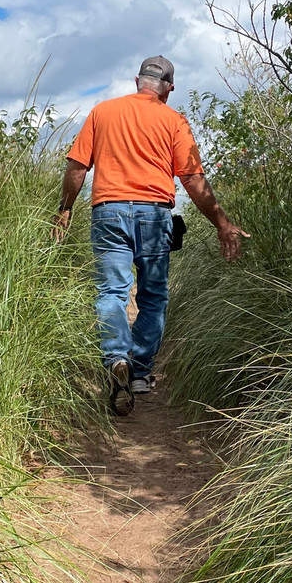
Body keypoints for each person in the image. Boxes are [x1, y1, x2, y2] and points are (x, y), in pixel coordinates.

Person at [52, 55, 249, 416]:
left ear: (136, 80)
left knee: (111, 291)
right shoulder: (174, 120)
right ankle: (140, 372)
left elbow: (77, 167)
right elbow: (191, 180)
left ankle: (115, 358)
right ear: (169, 88)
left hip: (108, 210)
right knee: (153, 295)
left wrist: (65, 208)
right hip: (155, 214)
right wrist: (222, 222)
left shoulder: (102, 112)